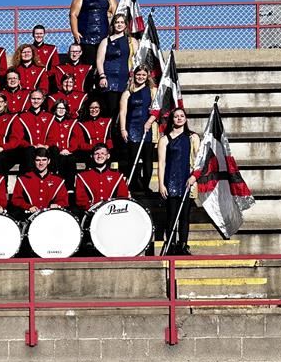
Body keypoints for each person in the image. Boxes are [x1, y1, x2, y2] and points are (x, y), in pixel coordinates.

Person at [156, 109, 199, 255]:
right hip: (171, 180)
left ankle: (183, 245)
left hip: (186, 180)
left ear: (186, 119)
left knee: (185, 216)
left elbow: (199, 161)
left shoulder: (192, 137)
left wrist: (194, 177)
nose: (179, 118)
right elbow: (162, 163)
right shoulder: (164, 139)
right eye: (176, 116)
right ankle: (171, 245)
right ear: (172, 119)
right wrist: (161, 184)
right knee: (171, 215)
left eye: (182, 116)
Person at [117, 65, 156, 193]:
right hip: (132, 128)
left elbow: (157, 109)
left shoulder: (152, 90)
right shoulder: (128, 92)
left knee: (148, 162)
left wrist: (150, 121)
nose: (141, 77)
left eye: (143, 75)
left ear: (147, 76)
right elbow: (123, 112)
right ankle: (134, 185)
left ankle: (145, 186)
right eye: (138, 74)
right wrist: (123, 129)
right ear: (134, 75)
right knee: (133, 159)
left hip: (147, 128)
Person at [70, 0, 117, 65]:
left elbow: (116, 15)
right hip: (86, 36)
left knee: (103, 63)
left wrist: (113, 33)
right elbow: (73, 14)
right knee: (88, 64)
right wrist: (75, 32)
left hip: (104, 35)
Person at [96, 12, 138, 117]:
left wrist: (133, 77)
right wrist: (102, 76)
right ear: (113, 24)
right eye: (117, 22)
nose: (119, 25)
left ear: (125, 25)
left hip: (126, 79)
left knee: (125, 111)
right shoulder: (106, 41)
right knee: (111, 110)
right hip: (109, 80)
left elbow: (137, 60)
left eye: (122, 22)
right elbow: (99, 60)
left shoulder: (132, 41)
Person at [10, 149, 68, 219]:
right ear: (34, 161)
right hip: (29, 217)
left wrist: (57, 204)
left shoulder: (58, 180)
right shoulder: (23, 179)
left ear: (49, 161)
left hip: (51, 217)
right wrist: (28, 206)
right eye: (38, 160)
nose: (41, 163)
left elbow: (63, 200)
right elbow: (16, 200)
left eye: (44, 160)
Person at [46, 100, 91, 188]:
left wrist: (69, 149)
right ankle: (59, 186)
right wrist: (59, 150)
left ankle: (70, 188)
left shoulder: (72, 122)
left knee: (70, 160)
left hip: (70, 152)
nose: (61, 110)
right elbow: (49, 139)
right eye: (59, 108)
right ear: (55, 109)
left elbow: (77, 138)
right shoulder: (49, 122)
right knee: (59, 159)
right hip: (55, 152)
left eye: (63, 108)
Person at [75, 142, 131, 211]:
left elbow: (122, 197)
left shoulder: (118, 176)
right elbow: (81, 200)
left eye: (103, 153)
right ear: (92, 156)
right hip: (91, 214)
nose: (99, 156)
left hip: (112, 213)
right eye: (96, 153)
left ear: (108, 156)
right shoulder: (82, 177)